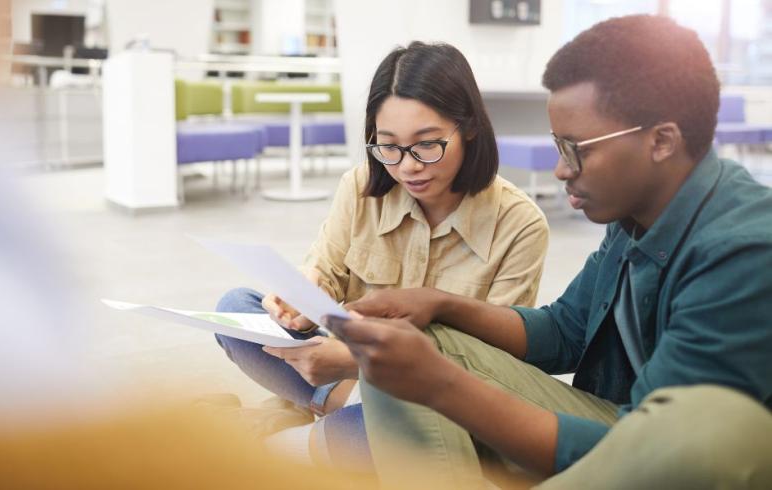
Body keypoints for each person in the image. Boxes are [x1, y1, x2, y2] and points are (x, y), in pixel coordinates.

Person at [325, 15, 772, 489]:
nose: (560, 170)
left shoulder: (742, 252)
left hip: (670, 457)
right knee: (421, 337)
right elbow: (565, 331)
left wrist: (441, 386)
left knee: (423, 375)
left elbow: (667, 462)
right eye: (558, 146)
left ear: (661, 141)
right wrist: (439, 303)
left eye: (576, 149)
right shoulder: (638, 214)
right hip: (630, 427)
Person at [214, 41, 549, 470]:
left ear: (468, 128)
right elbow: (325, 271)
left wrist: (357, 362)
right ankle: (332, 414)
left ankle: (294, 421)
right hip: (337, 368)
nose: (407, 166)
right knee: (235, 310)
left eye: (426, 145)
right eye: (387, 146)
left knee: (407, 438)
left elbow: (495, 365)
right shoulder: (359, 187)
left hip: (433, 400)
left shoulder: (519, 224)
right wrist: (299, 295)